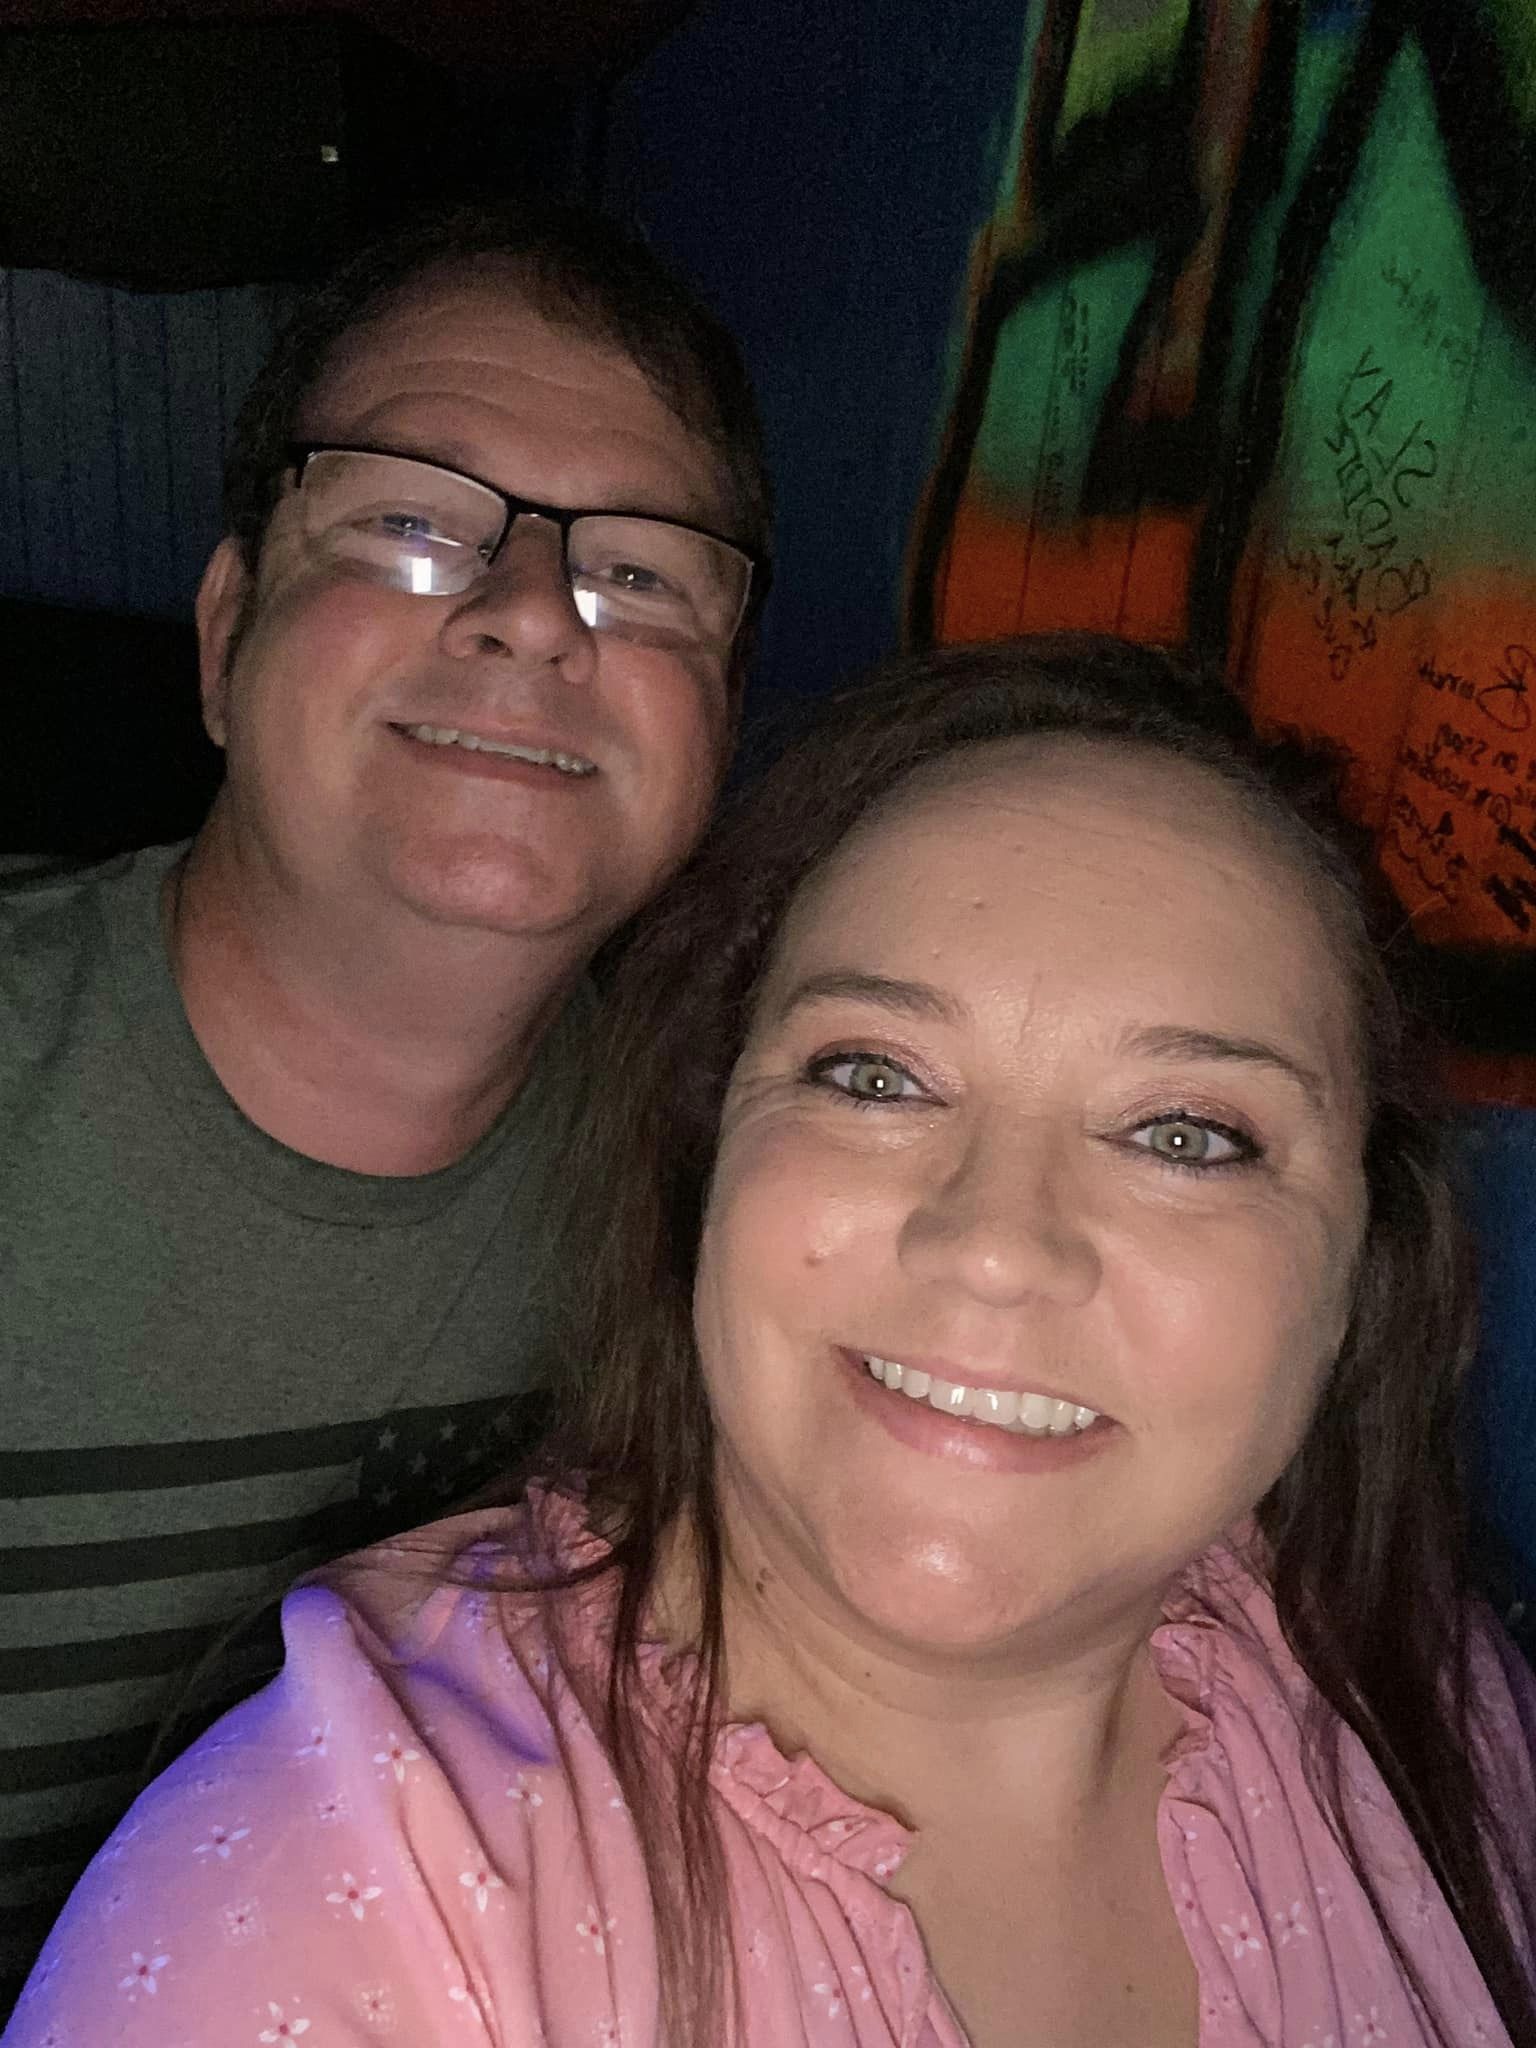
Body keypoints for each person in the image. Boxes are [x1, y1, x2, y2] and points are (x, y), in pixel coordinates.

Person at [9, 635, 1535, 2048]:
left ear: (1365, 1259)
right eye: (874, 1075)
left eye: (1187, 1134)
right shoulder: (330, 1913)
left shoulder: (1426, 1709)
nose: (994, 1243)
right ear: (712, 1155)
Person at [0, 199, 769, 2013]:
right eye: (411, 526)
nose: (532, 617)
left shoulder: (750, 1206)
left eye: (641, 573)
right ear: (223, 637)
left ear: (721, 727)